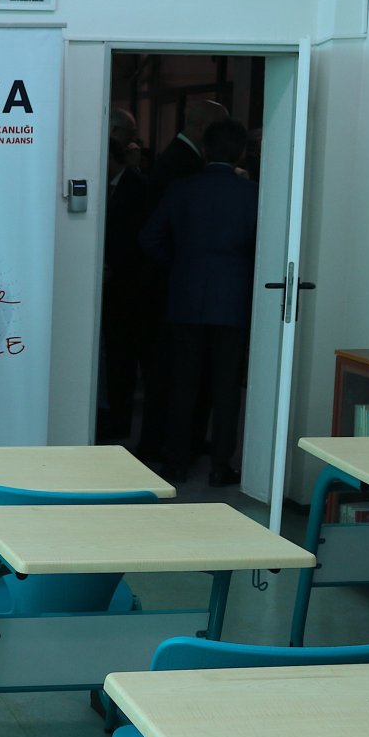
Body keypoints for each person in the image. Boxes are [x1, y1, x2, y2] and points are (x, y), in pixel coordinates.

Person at [139, 119, 258, 485]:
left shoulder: (182, 189)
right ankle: (221, 465)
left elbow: (149, 239)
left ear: (204, 150)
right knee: (226, 388)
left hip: (186, 297)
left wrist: (180, 266)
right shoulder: (253, 194)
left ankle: (175, 462)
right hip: (233, 301)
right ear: (241, 152)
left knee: (183, 384)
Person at [133, 98, 227, 463]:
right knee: (171, 372)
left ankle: (162, 443)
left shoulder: (175, 159)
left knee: (168, 370)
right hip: (170, 286)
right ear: (203, 127)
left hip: (166, 284)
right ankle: (166, 445)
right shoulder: (183, 166)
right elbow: (158, 233)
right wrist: (181, 266)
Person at [97, 108, 152, 441]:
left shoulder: (138, 188)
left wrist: (113, 270)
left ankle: (117, 429)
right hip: (104, 289)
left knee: (121, 363)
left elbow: (141, 240)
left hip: (127, 292)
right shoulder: (110, 187)